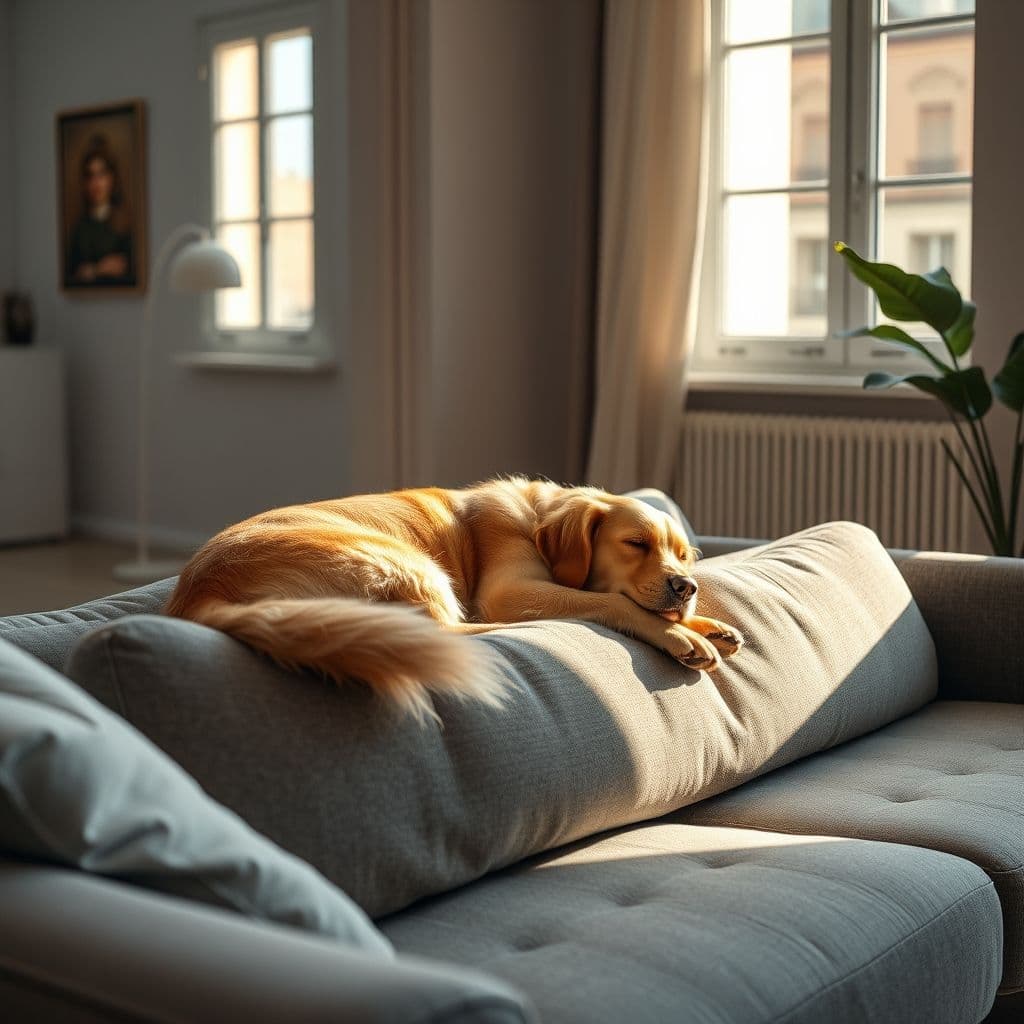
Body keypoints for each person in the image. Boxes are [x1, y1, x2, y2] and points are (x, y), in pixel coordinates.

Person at [66, 134, 133, 285]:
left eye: (101, 175)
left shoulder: (124, 223)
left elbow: (126, 268)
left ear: (112, 179)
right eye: (90, 176)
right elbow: (73, 273)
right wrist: (99, 269)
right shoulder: (80, 228)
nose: (96, 183)